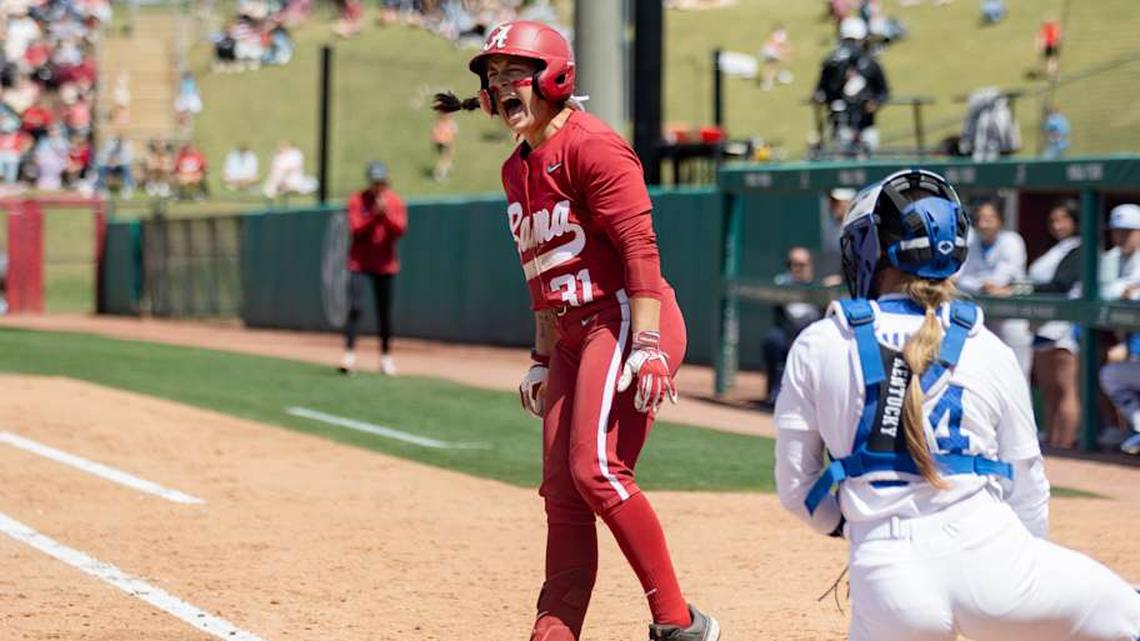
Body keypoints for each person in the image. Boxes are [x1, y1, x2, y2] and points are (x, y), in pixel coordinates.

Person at [433, 20, 719, 641]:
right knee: (562, 493)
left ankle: (680, 624)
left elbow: (641, 250)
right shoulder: (517, 169)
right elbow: (543, 273)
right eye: (493, 77)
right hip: (572, 332)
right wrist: (540, 357)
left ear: (554, 77)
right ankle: (554, 633)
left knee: (598, 470)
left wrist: (646, 348)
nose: (501, 86)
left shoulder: (594, 145)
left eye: (514, 73)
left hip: (624, 317)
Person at [774, 168, 1140, 641]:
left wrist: (853, 523)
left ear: (866, 250)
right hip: (1000, 568)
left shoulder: (821, 341)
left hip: (887, 574)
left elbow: (796, 488)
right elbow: (1027, 484)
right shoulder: (987, 346)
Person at [339, 161, 406, 377]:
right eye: (375, 182)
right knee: (355, 306)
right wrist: (373, 216)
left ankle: (386, 357)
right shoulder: (357, 200)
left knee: (384, 313)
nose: (378, 186)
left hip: (385, 264)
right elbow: (355, 230)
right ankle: (349, 355)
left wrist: (384, 215)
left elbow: (399, 230)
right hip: (359, 261)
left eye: (381, 181)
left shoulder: (394, 201)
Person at [955, 199, 1032, 375]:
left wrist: (982, 284)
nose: (984, 223)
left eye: (989, 218)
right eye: (981, 218)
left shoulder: (1011, 240)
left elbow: (1001, 279)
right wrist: (982, 285)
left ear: (1000, 220)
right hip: (983, 314)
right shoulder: (973, 241)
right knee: (986, 371)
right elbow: (961, 278)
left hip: (1011, 314)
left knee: (1016, 372)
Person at [813, 16, 889, 158]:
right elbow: (820, 90)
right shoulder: (832, 63)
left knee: (868, 156)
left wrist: (875, 103)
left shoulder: (871, 64)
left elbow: (883, 91)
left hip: (866, 123)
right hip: (841, 122)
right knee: (843, 157)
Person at [763, 247, 822, 406]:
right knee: (773, 340)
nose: (796, 269)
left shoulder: (819, 287)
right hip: (786, 332)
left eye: (801, 264)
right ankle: (774, 393)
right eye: (792, 264)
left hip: (811, 334)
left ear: (810, 266)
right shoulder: (782, 283)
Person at [430, 111, 457, 182]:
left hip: (439, 140)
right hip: (445, 141)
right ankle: (438, 174)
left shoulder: (439, 121)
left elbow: (434, 131)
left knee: (445, 156)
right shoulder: (449, 122)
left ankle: (448, 167)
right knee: (443, 158)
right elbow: (453, 131)